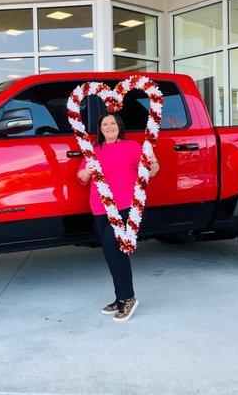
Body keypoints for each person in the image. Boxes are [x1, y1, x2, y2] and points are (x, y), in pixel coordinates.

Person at [77, 113, 159, 322]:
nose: (109, 126)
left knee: (114, 249)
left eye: (113, 123)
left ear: (119, 126)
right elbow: (82, 178)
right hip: (100, 207)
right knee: (111, 252)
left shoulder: (132, 146)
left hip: (125, 207)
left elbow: (153, 171)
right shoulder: (93, 151)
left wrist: (152, 163)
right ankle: (120, 298)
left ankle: (128, 297)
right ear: (100, 128)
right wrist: (87, 170)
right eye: (105, 123)